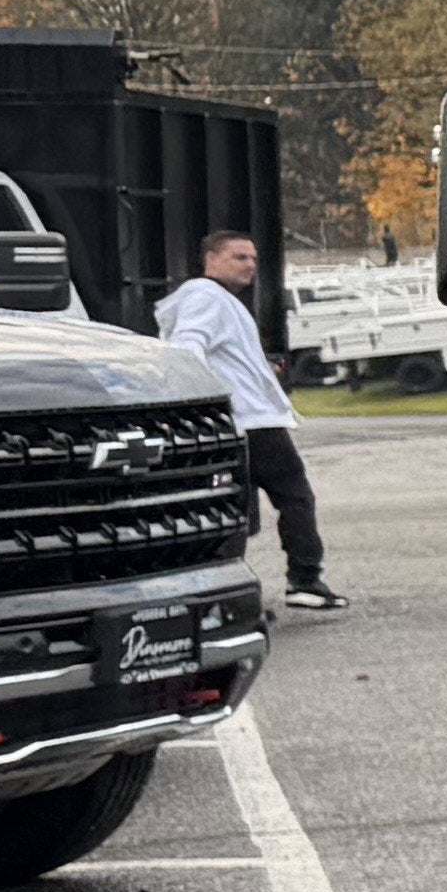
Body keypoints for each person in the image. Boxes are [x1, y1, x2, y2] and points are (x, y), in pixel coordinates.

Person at [162, 229, 337, 612]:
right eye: (239, 257)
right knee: (294, 496)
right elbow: (187, 347)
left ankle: (226, 597)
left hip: (240, 420)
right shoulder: (205, 296)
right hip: (250, 422)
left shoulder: (215, 299)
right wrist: (204, 401)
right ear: (210, 259)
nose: (251, 266)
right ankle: (304, 580)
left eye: (254, 258)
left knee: (236, 509)